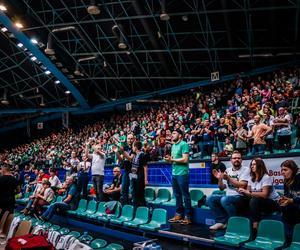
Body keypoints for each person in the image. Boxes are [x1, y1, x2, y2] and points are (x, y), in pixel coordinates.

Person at [206, 151, 249, 230]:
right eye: (234, 158)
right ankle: (221, 221)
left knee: (224, 199)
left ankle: (234, 223)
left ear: (242, 160)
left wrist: (229, 178)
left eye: (239, 158)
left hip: (241, 197)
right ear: (231, 160)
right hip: (228, 196)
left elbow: (242, 184)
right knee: (210, 199)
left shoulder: (246, 170)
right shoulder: (228, 170)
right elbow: (222, 188)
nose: (237, 159)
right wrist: (219, 179)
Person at [238, 158, 279, 229]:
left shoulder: (266, 177)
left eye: (254, 164)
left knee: (254, 200)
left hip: (272, 202)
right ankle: (241, 224)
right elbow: (248, 193)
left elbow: (265, 195)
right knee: (241, 199)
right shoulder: (251, 178)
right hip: (259, 202)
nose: (251, 166)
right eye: (251, 165)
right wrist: (242, 191)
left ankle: (255, 225)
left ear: (260, 165)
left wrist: (249, 192)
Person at [165, 128, 192, 225]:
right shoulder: (173, 146)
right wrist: (169, 160)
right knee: (177, 195)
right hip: (174, 173)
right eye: (172, 133)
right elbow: (173, 160)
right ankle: (179, 214)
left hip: (182, 173)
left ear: (180, 135)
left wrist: (172, 160)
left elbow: (185, 159)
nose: (172, 135)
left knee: (185, 195)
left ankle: (188, 217)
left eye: (174, 133)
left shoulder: (184, 144)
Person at [120, 141, 148, 207]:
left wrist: (145, 179)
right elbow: (129, 159)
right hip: (134, 178)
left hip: (140, 178)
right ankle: (135, 210)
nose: (132, 148)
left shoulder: (142, 154)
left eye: (133, 146)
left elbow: (145, 167)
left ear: (135, 147)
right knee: (134, 195)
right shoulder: (135, 155)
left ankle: (143, 211)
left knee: (140, 195)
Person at [113, 133, 135, 205]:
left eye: (131, 138)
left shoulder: (135, 148)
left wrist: (122, 151)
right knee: (123, 190)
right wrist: (116, 152)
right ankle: (125, 207)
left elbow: (130, 159)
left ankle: (133, 207)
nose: (130, 140)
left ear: (134, 139)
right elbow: (121, 159)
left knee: (133, 190)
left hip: (133, 172)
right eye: (128, 138)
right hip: (126, 170)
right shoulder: (125, 148)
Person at [278, 160, 300, 224]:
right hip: (294, 205)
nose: (282, 172)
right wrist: (284, 199)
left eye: (285, 170)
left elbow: (293, 199)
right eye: (282, 170)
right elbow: (287, 195)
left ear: (293, 170)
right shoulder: (286, 180)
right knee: (283, 206)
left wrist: (292, 200)